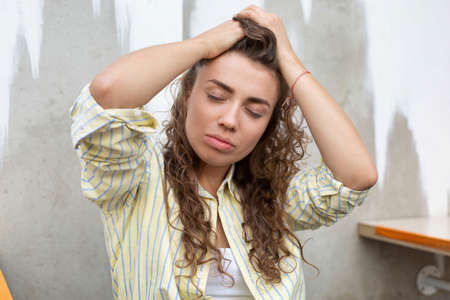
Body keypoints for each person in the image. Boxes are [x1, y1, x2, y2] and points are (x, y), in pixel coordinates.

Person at [70, 5, 377, 300]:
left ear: (267, 125)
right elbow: (108, 95)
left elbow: (356, 177)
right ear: (189, 93)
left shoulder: (272, 198)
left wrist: (290, 62)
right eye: (217, 96)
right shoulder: (136, 179)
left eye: (255, 111)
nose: (229, 120)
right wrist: (204, 45)